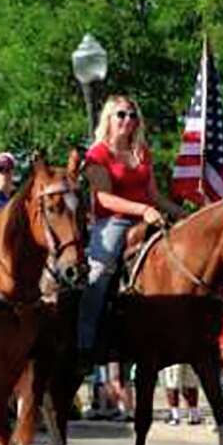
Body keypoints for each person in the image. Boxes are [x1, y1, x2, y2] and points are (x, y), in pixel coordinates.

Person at [77, 95, 183, 362]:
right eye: (121, 115)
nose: (128, 120)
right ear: (109, 119)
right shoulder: (97, 154)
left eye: (132, 115)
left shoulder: (142, 152)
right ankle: (84, 342)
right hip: (113, 221)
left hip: (149, 218)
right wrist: (143, 210)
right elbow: (103, 198)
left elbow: (154, 195)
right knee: (99, 272)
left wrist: (185, 215)